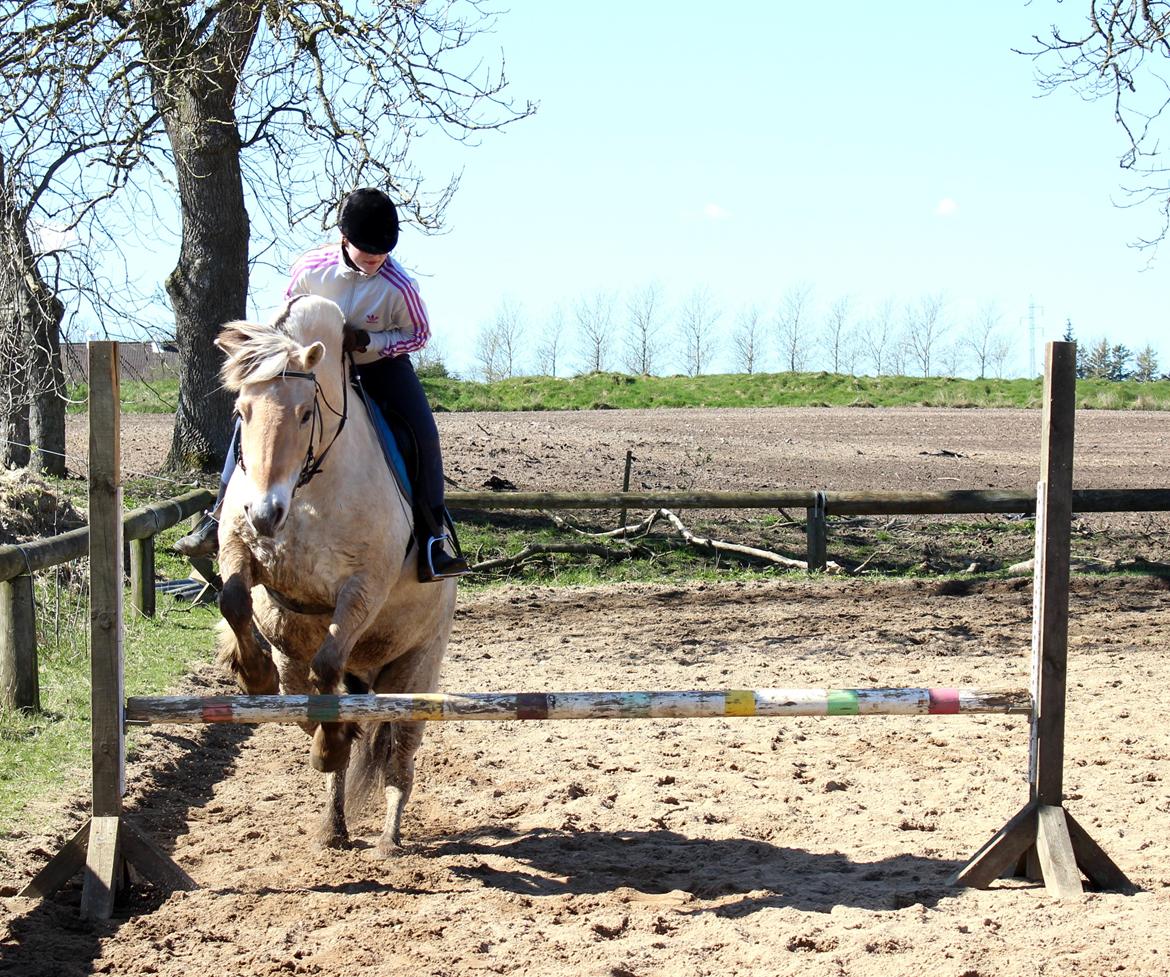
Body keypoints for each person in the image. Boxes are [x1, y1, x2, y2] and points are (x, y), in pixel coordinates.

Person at [175, 187, 469, 582]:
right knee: (250, 419)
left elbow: (418, 335)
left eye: (383, 253)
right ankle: (217, 516)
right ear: (344, 240)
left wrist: (371, 341)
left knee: (424, 434)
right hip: (308, 367)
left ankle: (433, 540)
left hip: (378, 367)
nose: (376, 260)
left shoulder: (399, 286)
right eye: (368, 252)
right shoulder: (311, 267)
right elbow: (287, 318)